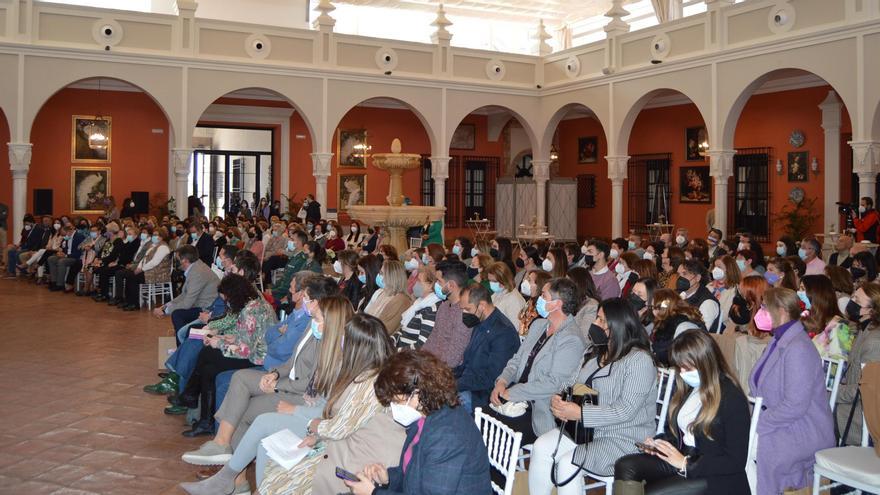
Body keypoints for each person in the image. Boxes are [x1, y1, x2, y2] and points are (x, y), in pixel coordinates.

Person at [250, 314, 405, 495]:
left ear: (356, 348)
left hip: (362, 463)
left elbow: (338, 428)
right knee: (273, 476)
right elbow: (343, 421)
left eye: (344, 339)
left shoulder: (370, 383)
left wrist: (313, 426)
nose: (340, 344)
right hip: (346, 447)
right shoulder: (367, 372)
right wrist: (318, 437)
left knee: (274, 484)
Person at [529, 298, 657, 495]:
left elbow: (626, 411)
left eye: (602, 321)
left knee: (567, 463)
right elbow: (570, 382)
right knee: (541, 447)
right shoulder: (594, 351)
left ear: (619, 325)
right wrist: (559, 399)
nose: (595, 324)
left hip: (622, 437)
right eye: (597, 318)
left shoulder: (639, 361)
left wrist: (580, 413)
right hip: (584, 431)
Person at [614, 329, 751, 495]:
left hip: (715, 476)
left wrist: (686, 464)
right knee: (626, 466)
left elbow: (735, 461)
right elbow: (681, 435)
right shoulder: (691, 389)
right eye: (680, 368)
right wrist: (658, 444)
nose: (683, 373)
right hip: (684, 459)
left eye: (687, 367)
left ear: (705, 361)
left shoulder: (732, 398)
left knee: (653, 492)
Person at [343, 349, 492, 495]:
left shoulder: (447, 436)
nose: (394, 408)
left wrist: (373, 493)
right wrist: (388, 478)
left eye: (396, 401)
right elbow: (411, 474)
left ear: (417, 394)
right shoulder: (424, 418)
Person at [748, 287, 835, 494]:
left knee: (744, 450)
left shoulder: (799, 348)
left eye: (764, 307)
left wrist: (757, 426)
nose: (759, 312)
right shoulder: (779, 340)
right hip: (778, 421)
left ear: (781, 311)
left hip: (801, 428)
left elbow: (795, 406)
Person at [175, 274, 277, 437]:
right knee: (208, 368)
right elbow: (248, 336)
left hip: (256, 358)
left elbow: (247, 351)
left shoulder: (251, 311)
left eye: (227, 300)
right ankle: (203, 418)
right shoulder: (254, 304)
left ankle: (191, 395)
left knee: (209, 352)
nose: (227, 304)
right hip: (253, 351)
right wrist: (226, 338)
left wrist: (219, 343)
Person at [489, 278, 587, 445]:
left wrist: (511, 393)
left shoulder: (571, 339)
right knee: (482, 419)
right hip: (517, 395)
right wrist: (502, 382)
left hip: (538, 407)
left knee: (495, 434)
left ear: (557, 304)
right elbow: (517, 359)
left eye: (544, 296)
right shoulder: (539, 325)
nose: (539, 299)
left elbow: (553, 384)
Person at [455, 284, 520, 413]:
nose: (464, 314)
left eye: (467, 309)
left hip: (483, 394)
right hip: (470, 384)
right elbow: (467, 364)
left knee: (446, 400)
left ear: (482, 306)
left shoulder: (503, 332)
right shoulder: (480, 322)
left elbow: (491, 378)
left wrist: (455, 385)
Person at [835, 283, 880, 445]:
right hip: (851, 401)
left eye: (856, 299)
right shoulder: (865, 329)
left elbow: (863, 390)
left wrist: (833, 392)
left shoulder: (875, 342)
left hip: (861, 414)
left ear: (871, 310)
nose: (851, 302)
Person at [154, 245, 219, 335]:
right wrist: (165, 306)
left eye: (177, 259)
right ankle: (182, 339)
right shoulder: (195, 267)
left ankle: (182, 342)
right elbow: (184, 294)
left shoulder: (197, 273)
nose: (175, 262)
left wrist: (165, 311)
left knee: (178, 314)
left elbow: (187, 303)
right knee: (178, 313)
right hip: (201, 304)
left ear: (185, 260)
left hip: (208, 308)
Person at [421, 260, 472, 368]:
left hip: (444, 372)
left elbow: (452, 359)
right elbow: (432, 339)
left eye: (439, 281)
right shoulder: (444, 306)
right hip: (431, 365)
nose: (435, 285)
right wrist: (419, 359)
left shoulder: (464, 314)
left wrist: (426, 368)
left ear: (451, 285)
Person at [801, 274, 854, 360]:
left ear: (816, 294)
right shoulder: (805, 320)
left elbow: (839, 364)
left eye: (803, 289)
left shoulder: (839, 326)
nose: (798, 293)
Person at [732, 276, 771, 388]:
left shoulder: (766, 331)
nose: (737, 299)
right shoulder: (738, 325)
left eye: (741, 295)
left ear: (751, 301)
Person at [650, 289, 705, 365]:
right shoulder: (664, 321)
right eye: (653, 307)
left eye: (658, 307)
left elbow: (666, 354)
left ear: (666, 306)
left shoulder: (682, 325)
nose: (654, 311)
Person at [364, 259, 413, 335]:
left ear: (391, 277)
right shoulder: (383, 292)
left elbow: (385, 330)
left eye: (382, 273)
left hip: (376, 339)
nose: (379, 275)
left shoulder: (401, 300)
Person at [677, 259, 721, 333]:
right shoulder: (676, 293)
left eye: (684, 274)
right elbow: (662, 309)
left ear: (697, 278)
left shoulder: (708, 303)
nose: (680, 278)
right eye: (679, 274)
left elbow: (698, 333)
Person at [485, 261, 526, 329]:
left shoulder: (514, 299)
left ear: (503, 280)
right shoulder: (497, 293)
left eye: (494, 281)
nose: (491, 283)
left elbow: (517, 327)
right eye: (489, 280)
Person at [271, 230, 309, 301]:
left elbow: (292, 283)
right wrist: (272, 288)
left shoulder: (301, 260)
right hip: (280, 290)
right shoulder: (294, 257)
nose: (289, 241)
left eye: (292, 239)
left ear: (299, 243)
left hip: (285, 294)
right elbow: (284, 278)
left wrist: (273, 292)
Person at [566, 266, 601, 343]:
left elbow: (583, 339)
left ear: (578, 284)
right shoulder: (574, 301)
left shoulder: (592, 306)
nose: (565, 287)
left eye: (568, 283)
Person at [517, 269, 552, 337]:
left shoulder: (541, 307)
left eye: (529, 280)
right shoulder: (530, 301)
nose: (525, 282)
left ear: (539, 285)